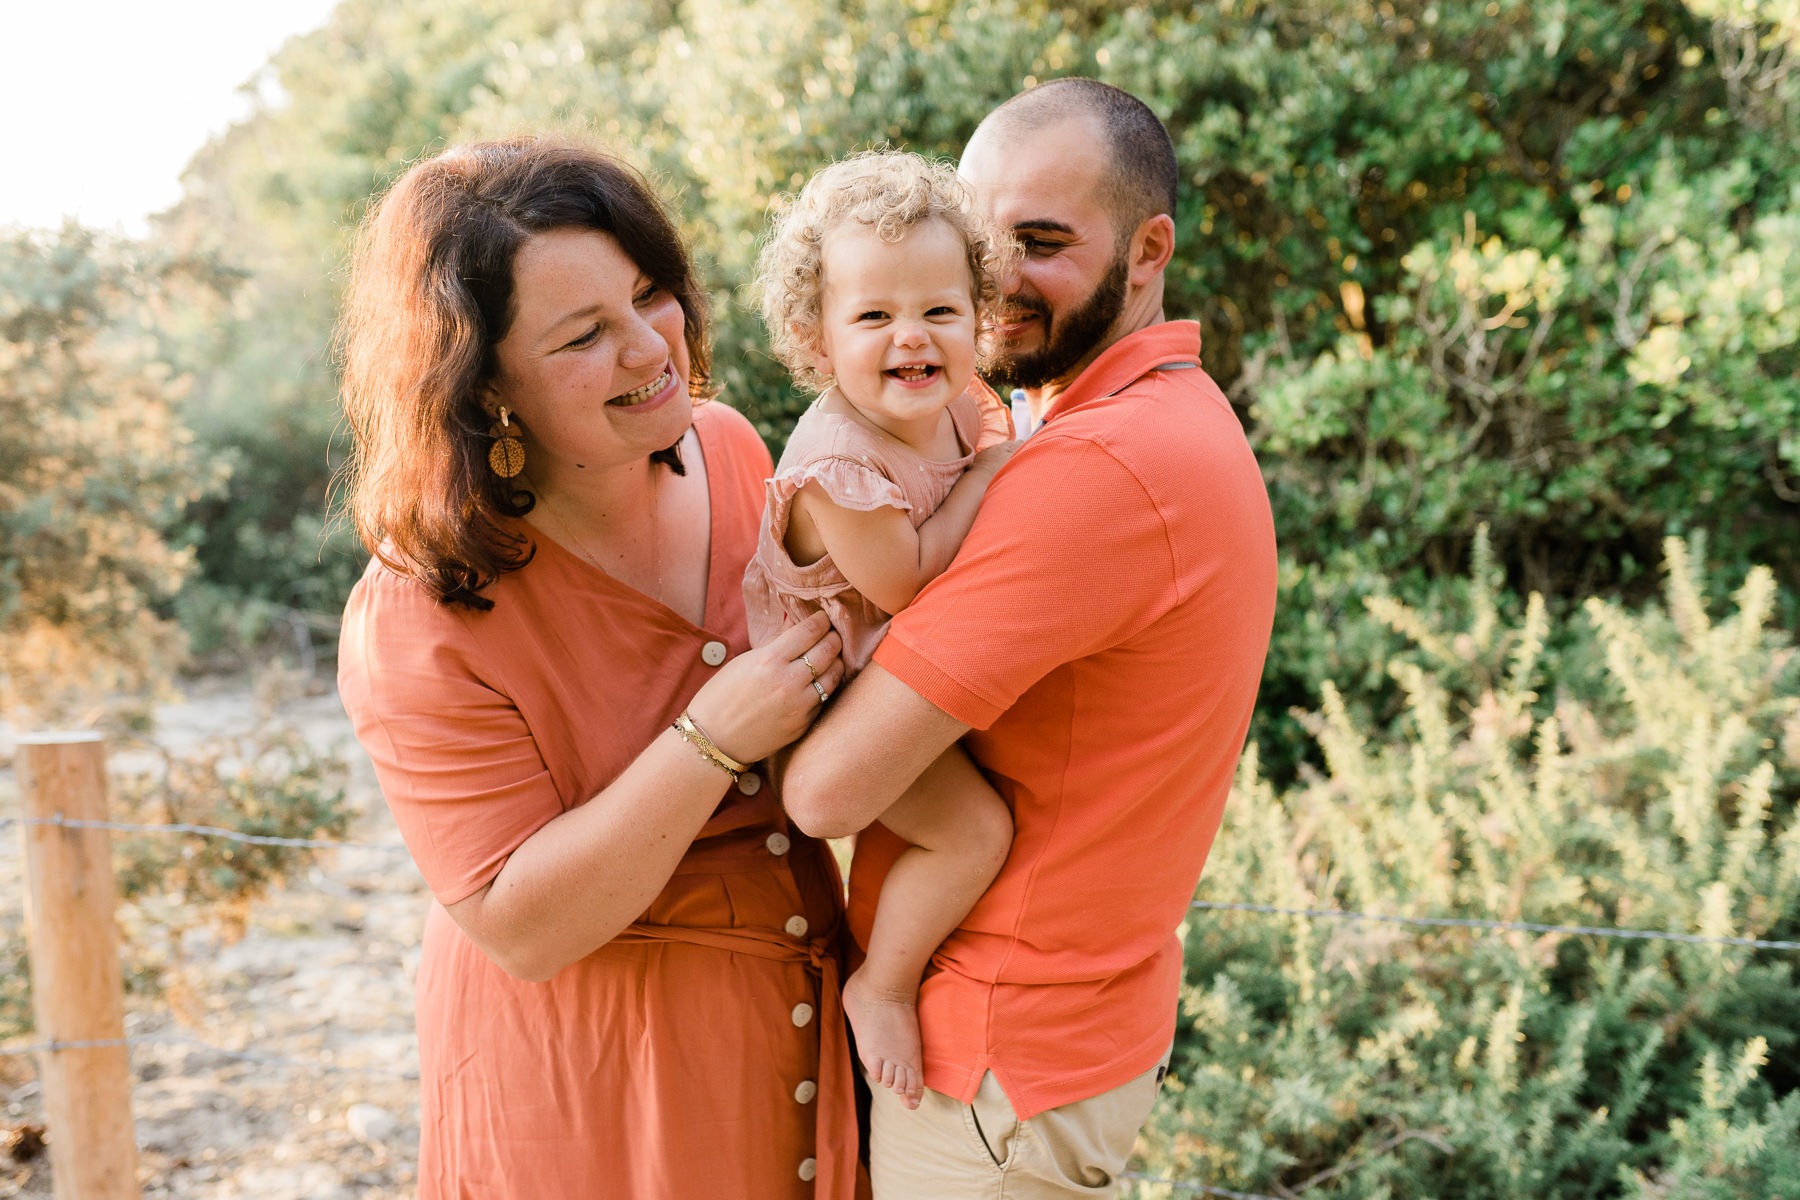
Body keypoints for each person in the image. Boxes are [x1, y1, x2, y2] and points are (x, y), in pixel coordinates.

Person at [333, 137, 864, 1199]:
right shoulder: (421, 613)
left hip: (806, 1038)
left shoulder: (732, 449)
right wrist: (712, 740)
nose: (649, 347)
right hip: (595, 1094)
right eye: (584, 335)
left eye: (651, 293)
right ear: (482, 388)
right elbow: (522, 924)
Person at [783, 79, 1279, 1198]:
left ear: (1149, 249)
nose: (997, 278)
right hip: (1065, 1032)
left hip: (992, 1064)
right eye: (982, 240)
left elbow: (825, 792)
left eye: (1044, 242)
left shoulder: (1094, 467)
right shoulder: (1144, 419)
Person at [742, 151, 1017, 1110]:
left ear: (979, 315)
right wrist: (991, 477)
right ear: (817, 339)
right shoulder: (837, 464)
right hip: (825, 701)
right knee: (975, 834)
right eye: (873, 317)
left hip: (887, 672)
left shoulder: (952, 408)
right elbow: (904, 584)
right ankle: (882, 985)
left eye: (940, 311)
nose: (913, 338)